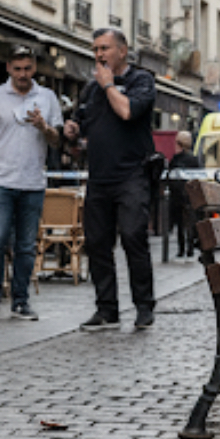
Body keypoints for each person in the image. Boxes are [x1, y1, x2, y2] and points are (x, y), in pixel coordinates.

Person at [63, 28, 157, 331]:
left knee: (133, 238)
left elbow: (127, 111)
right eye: (95, 50)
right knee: (98, 244)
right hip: (99, 177)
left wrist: (108, 86)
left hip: (132, 175)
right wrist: (72, 130)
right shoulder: (91, 90)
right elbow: (80, 129)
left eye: (104, 48)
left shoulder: (141, 81)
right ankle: (107, 309)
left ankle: (144, 307)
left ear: (122, 51)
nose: (99, 55)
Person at [0, 44, 63, 322]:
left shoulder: (47, 97)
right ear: (8, 68)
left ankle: (21, 302)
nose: (23, 74)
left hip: (33, 182)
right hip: (1, 181)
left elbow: (57, 140)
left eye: (27, 68)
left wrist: (43, 127)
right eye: (17, 68)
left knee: (25, 246)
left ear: (34, 68)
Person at [169, 130, 201, 258]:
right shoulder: (194, 160)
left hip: (177, 194)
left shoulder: (175, 159)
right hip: (189, 195)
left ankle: (181, 248)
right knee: (190, 222)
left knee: (180, 223)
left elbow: (170, 176)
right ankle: (190, 248)